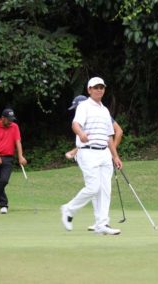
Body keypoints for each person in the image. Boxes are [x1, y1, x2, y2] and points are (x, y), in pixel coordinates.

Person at [60, 77, 123, 235]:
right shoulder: (84, 106)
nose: (99, 90)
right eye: (95, 87)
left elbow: (109, 136)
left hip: (104, 153)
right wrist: (81, 134)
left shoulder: (105, 110)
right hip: (88, 151)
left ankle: (102, 224)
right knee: (93, 187)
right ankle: (69, 209)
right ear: (89, 90)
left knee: (105, 189)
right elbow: (75, 124)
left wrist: (115, 156)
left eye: (101, 87)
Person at [0, 108, 27, 214]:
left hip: (8, 158)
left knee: (4, 180)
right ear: (2, 118)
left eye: (12, 119)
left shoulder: (14, 126)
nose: (11, 121)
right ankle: (3, 205)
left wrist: (20, 156)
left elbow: (18, 142)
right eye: (9, 119)